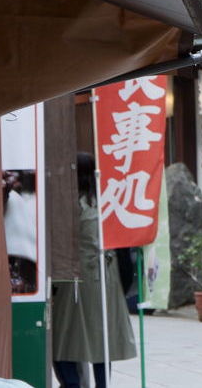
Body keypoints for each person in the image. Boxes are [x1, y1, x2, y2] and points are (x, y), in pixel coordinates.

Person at [50, 153, 137, 388]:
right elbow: (123, 248)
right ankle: (101, 384)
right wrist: (124, 283)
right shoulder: (107, 203)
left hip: (74, 278)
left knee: (64, 336)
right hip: (107, 277)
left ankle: (72, 383)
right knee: (102, 339)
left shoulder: (68, 205)